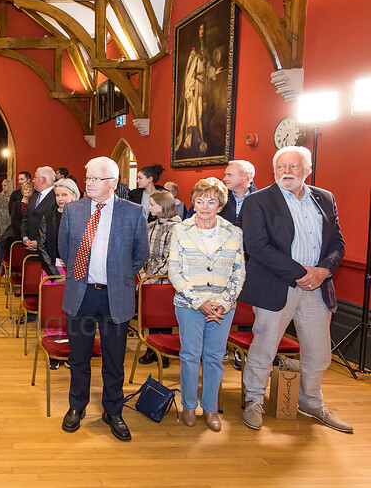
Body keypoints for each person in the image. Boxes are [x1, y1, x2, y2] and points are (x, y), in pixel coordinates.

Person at [240, 146, 352, 433]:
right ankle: (253, 401)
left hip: (317, 287)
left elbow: (337, 242)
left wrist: (324, 270)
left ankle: (310, 401)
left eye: (294, 167)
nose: (287, 172)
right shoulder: (258, 201)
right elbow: (256, 247)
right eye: (281, 167)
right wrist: (301, 273)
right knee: (264, 348)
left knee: (318, 352)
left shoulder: (324, 198)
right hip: (277, 286)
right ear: (273, 170)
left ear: (308, 169)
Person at [59, 156, 148, 441]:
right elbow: (64, 249)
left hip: (115, 297)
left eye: (95, 179)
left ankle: (114, 410)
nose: (88, 184)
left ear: (113, 183)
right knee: (79, 357)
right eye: (87, 178)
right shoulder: (73, 210)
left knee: (114, 359)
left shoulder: (133, 212)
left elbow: (140, 254)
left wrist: (120, 277)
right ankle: (77, 407)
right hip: (81, 295)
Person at [167, 178, 244, 432]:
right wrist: (199, 302)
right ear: (194, 203)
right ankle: (189, 405)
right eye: (200, 201)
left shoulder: (234, 232)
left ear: (220, 205)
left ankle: (210, 408)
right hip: (189, 304)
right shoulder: (181, 230)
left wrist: (224, 302)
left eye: (211, 201)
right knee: (190, 356)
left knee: (214, 357)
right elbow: (174, 271)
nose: (204, 207)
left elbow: (239, 272)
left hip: (222, 307)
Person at [136, 190, 182, 368]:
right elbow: (142, 253)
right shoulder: (151, 226)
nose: (149, 207)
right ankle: (151, 349)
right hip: (148, 278)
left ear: (162, 207)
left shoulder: (178, 228)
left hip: (166, 280)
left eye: (152, 204)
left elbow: (173, 258)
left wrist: (153, 278)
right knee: (152, 315)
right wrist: (143, 276)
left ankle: (164, 352)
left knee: (165, 316)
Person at [175, 22, 218, 158]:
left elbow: (209, 68)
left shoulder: (205, 51)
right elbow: (189, 73)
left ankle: (201, 140)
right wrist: (189, 90)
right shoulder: (194, 52)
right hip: (195, 88)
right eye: (199, 29)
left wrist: (215, 72)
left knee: (203, 114)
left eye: (203, 29)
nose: (201, 31)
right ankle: (200, 140)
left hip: (203, 87)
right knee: (196, 115)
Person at [38, 178, 80, 279]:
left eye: (64, 195)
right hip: (52, 270)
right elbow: (41, 246)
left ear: (73, 196)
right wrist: (55, 274)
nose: (60, 198)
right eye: (57, 195)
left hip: (76, 272)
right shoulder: (47, 218)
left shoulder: (82, 217)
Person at [21, 166, 57, 254]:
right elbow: (25, 219)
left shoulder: (56, 198)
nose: (33, 181)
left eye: (35, 177)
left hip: (46, 250)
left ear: (43, 180)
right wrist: (25, 238)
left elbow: (54, 226)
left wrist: (39, 242)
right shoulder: (33, 198)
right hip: (29, 247)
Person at [221, 160, 257, 226]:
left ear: (244, 176)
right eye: (225, 175)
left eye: (229, 175)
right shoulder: (219, 197)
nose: (224, 179)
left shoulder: (261, 201)